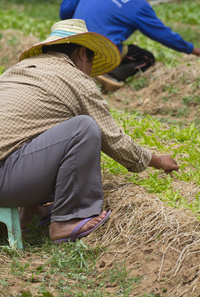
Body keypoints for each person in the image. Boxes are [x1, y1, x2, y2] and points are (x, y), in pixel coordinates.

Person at [0, 19, 179, 244]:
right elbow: (113, 140)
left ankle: (30, 211)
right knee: (82, 128)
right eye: (92, 64)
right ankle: (66, 221)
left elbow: (25, 135)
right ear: (82, 54)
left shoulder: (15, 72)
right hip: (6, 179)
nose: (91, 74)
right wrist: (157, 161)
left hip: (9, 172)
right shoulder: (75, 78)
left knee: (42, 126)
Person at [60, 0, 200, 91]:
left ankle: (81, 67)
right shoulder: (138, 5)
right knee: (146, 57)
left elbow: (65, 11)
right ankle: (107, 74)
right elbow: (163, 35)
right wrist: (193, 50)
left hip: (68, 44)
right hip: (100, 51)